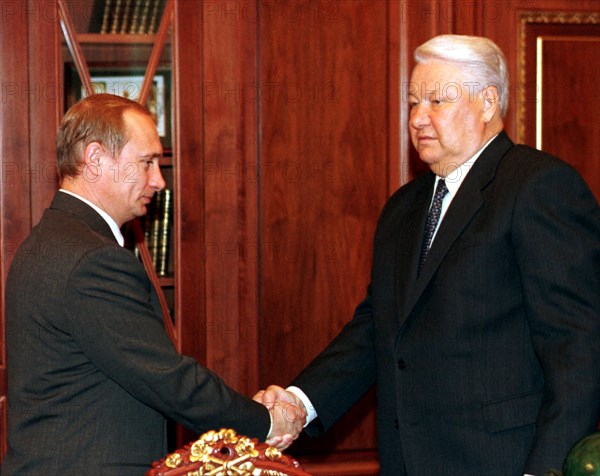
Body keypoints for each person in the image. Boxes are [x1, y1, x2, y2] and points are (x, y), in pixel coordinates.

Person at [257, 35, 600, 476]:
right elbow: (376, 327)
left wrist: (548, 470)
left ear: (488, 102)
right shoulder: (404, 207)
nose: (418, 118)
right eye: (414, 102)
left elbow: (578, 349)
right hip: (410, 461)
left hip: (505, 462)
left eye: (437, 101)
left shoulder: (537, 186)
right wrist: (300, 403)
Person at [1, 94, 305, 475]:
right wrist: (266, 421)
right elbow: (169, 380)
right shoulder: (92, 260)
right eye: (146, 163)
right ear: (94, 159)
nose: (159, 181)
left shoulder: (47, 241)